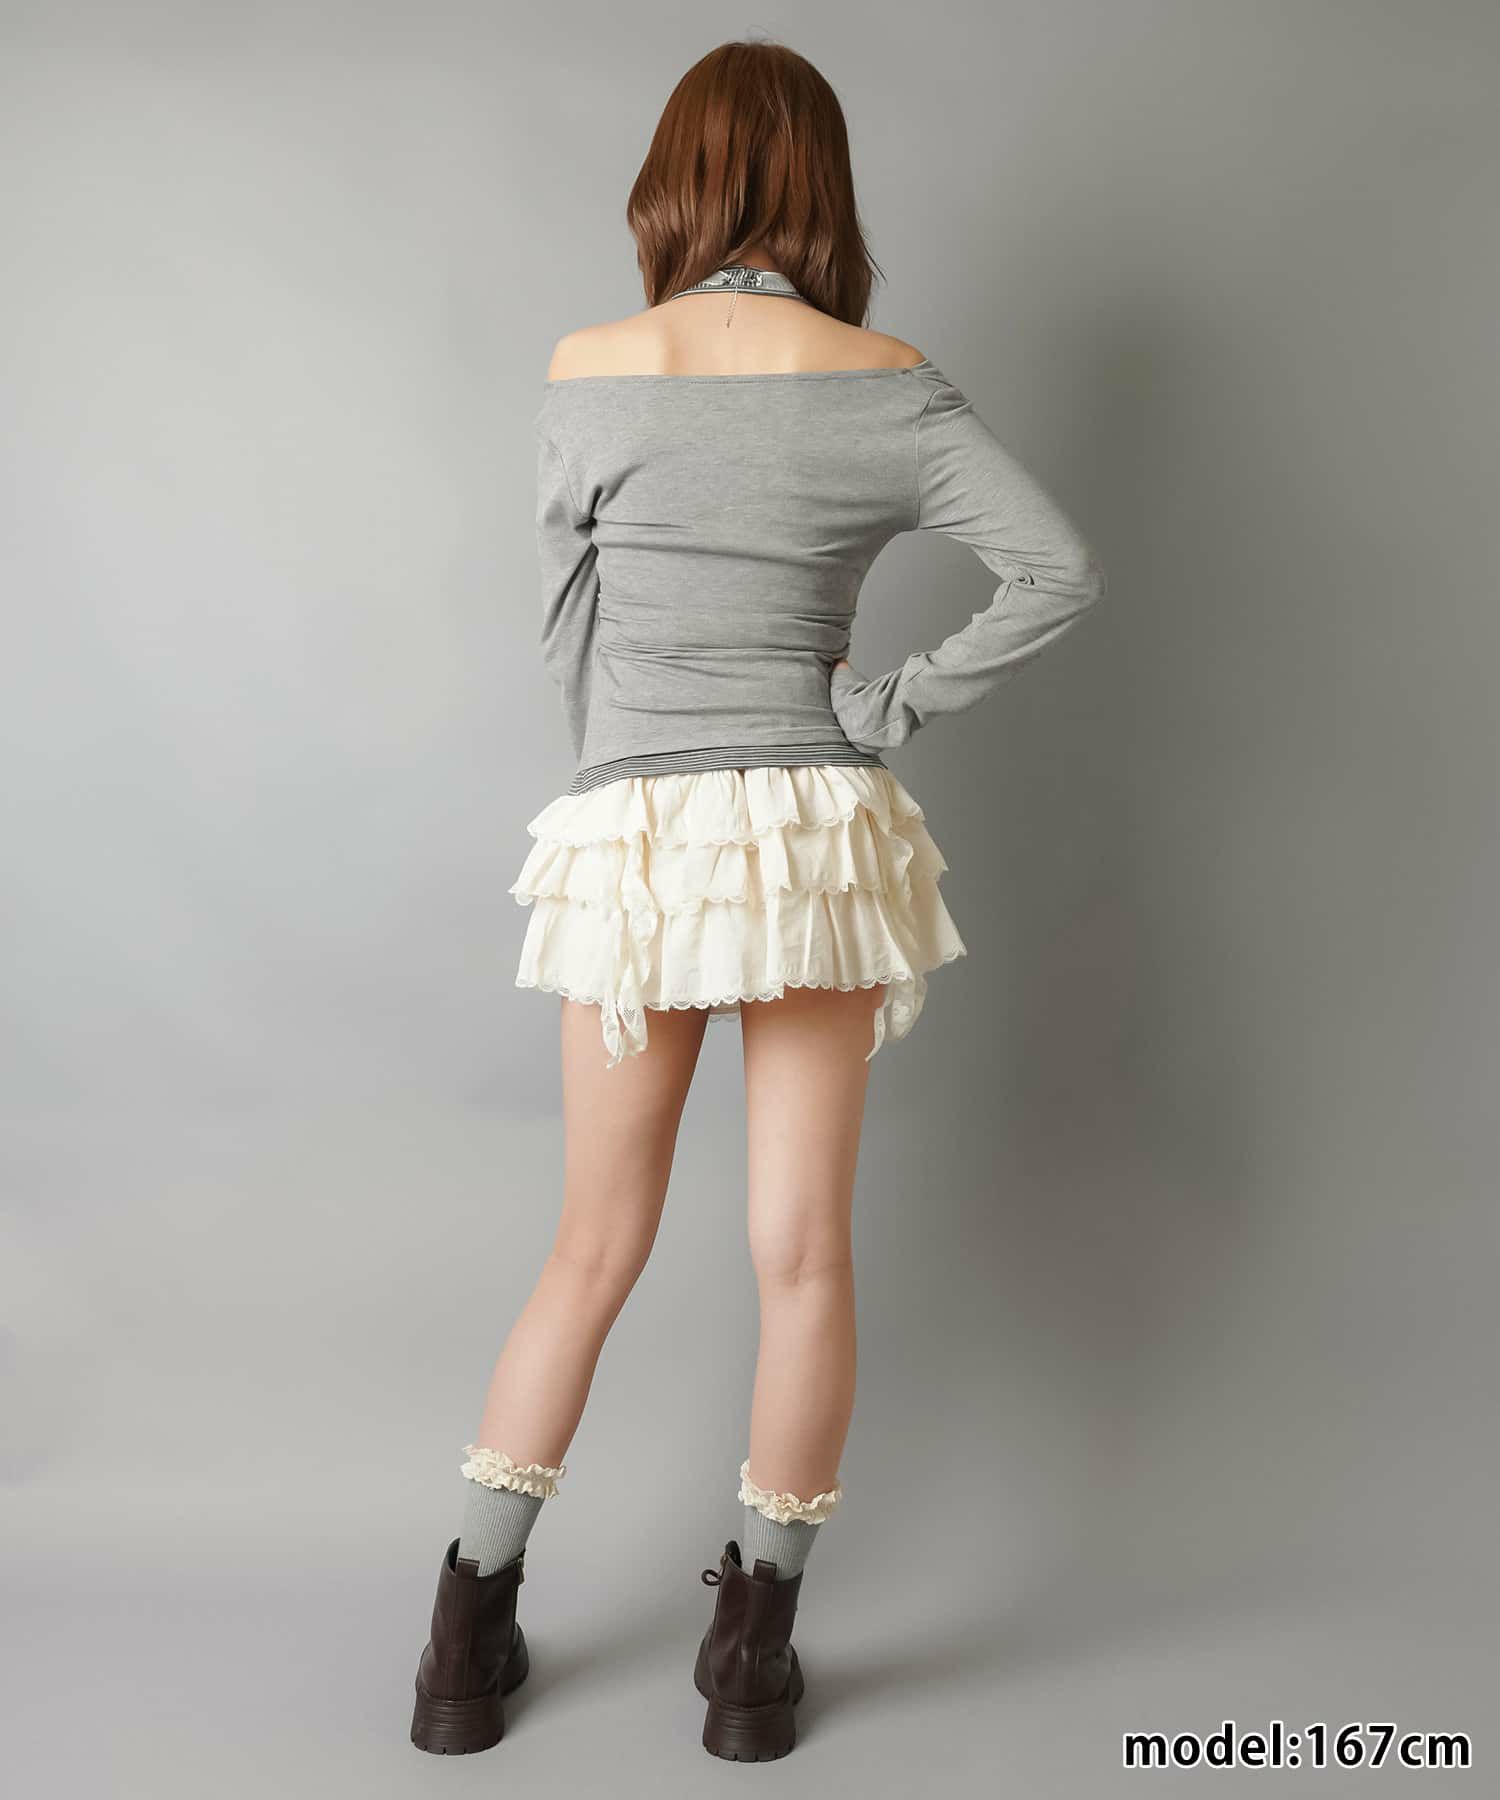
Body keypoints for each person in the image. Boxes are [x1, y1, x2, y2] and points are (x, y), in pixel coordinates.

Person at [409, 36, 1106, 1763]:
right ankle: (751, 1664)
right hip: (810, 830)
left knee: (590, 1249)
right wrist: (889, 706)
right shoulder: (891, 386)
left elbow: (571, 632)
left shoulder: (593, 366)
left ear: (673, 180)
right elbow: (1058, 568)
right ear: (821, 188)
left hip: (638, 841)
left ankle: (462, 1643)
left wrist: (631, 785)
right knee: (803, 1255)